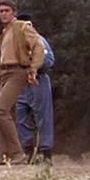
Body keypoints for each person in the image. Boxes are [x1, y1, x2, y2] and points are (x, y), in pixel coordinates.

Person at [0, 0, 45, 165]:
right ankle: (5, 156)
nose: (3, 14)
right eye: (1, 11)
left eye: (7, 10)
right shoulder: (4, 33)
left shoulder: (22, 27)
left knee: (0, 111)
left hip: (17, 72)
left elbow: (38, 47)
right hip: (5, 73)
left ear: (14, 12)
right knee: (2, 113)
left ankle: (17, 154)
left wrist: (33, 69)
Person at [14, 14, 55, 165]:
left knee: (43, 117)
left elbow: (49, 60)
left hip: (39, 81)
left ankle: (46, 153)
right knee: (21, 117)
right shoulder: (15, 43)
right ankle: (28, 152)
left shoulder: (39, 41)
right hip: (20, 83)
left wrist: (34, 65)